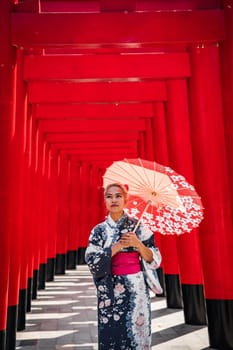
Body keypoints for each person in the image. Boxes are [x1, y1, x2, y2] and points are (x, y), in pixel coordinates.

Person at [85, 183, 162, 350]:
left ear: (126, 200)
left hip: (137, 289)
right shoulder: (99, 231)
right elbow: (91, 259)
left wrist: (138, 245)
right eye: (109, 196)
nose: (113, 200)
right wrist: (118, 246)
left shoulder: (140, 227)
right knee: (112, 334)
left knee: (137, 333)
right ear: (104, 201)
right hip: (111, 288)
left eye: (118, 196)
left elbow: (155, 260)